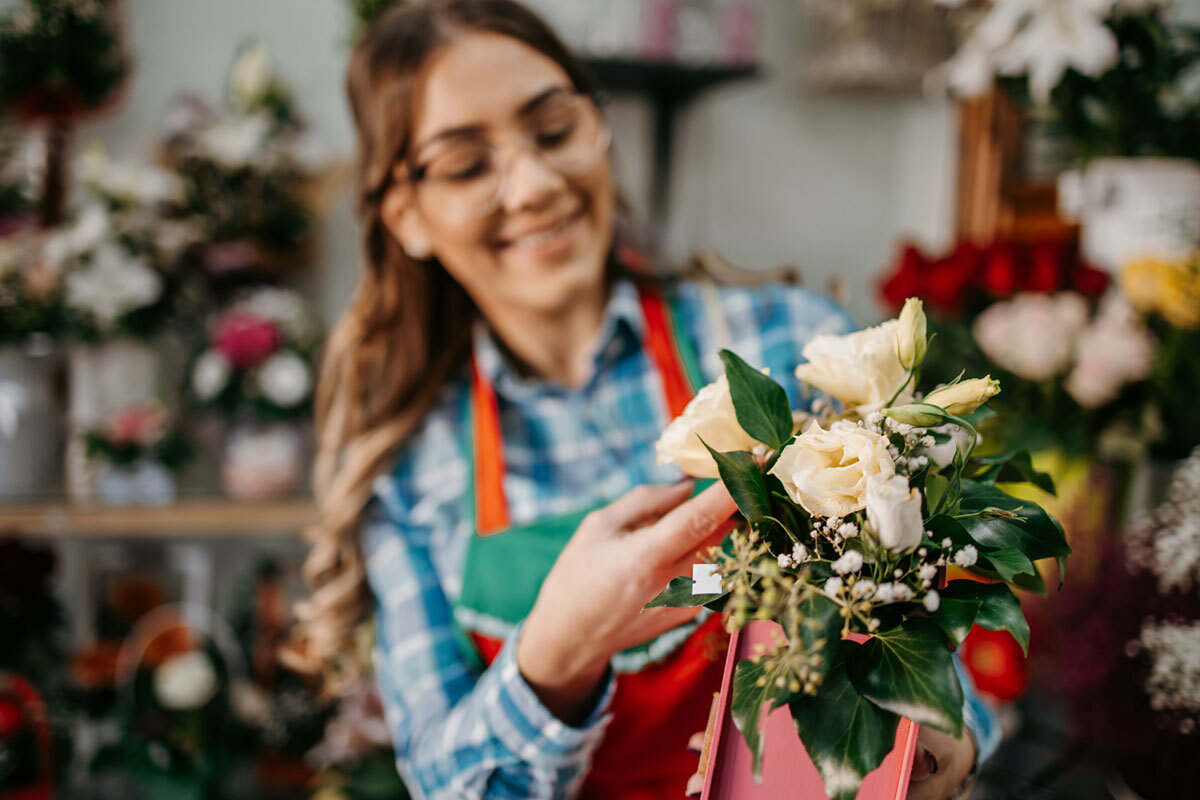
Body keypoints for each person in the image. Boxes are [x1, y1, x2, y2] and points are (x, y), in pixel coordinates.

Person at [291, 1, 997, 798]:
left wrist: (947, 739)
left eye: (554, 129)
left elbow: (943, 651)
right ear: (406, 215)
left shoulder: (795, 348)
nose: (535, 184)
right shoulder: (409, 469)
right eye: (465, 165)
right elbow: (448, 781)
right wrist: (552, 659)